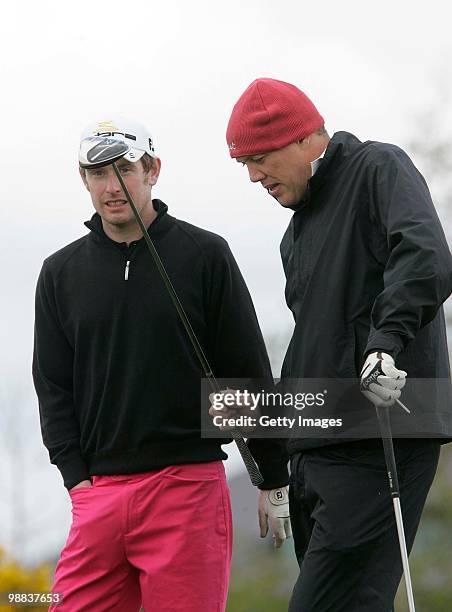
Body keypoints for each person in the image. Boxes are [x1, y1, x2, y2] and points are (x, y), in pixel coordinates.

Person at [32, 116, 289, 612]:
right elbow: (53, 385)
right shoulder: (60, 273)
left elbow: (244, 372)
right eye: (97, 173)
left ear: (152, 170)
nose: (111, 187)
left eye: (124, 170)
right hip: (98, 494)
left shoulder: (204, 254)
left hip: (187, 487)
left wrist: (273, 477)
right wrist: (75, 478)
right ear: (83, 180)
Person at [225, 78, 452, 611]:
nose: (255, 175)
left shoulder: (378, 168)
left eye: (259, 157)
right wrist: (275, 473)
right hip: (318, 448)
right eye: (244, 165)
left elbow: (424, 256)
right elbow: (311, 350)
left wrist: (387, 342)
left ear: (304, 138)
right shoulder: (296, 234)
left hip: (382, 436)